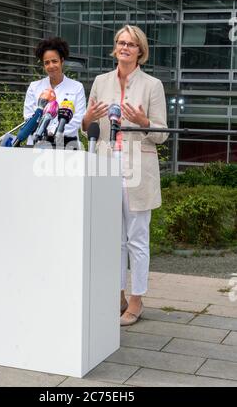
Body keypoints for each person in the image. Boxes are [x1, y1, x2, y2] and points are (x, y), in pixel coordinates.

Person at [82, 25, 168, 326]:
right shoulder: (100, 81)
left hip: (137, 168)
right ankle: (116, 294)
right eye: (120, 42)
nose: (125, 48)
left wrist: (144, 121)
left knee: (137, 238)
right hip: (106, 164)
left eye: (131, 44)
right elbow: (87, 127)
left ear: (140, 50)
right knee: (112, 237)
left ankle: (136, 299)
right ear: (115, 47)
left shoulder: (152, 85)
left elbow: (161, 135)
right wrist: (88, 119)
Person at [24, 37, 86, 146]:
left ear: (62, 60)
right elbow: (29, 118)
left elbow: (77, 120)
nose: (51, 66)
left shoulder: (77, 87)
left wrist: (52, 133)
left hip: (66, 146)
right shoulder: (34, 87)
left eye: (54, 61)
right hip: (36, 146)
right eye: (47, 63)